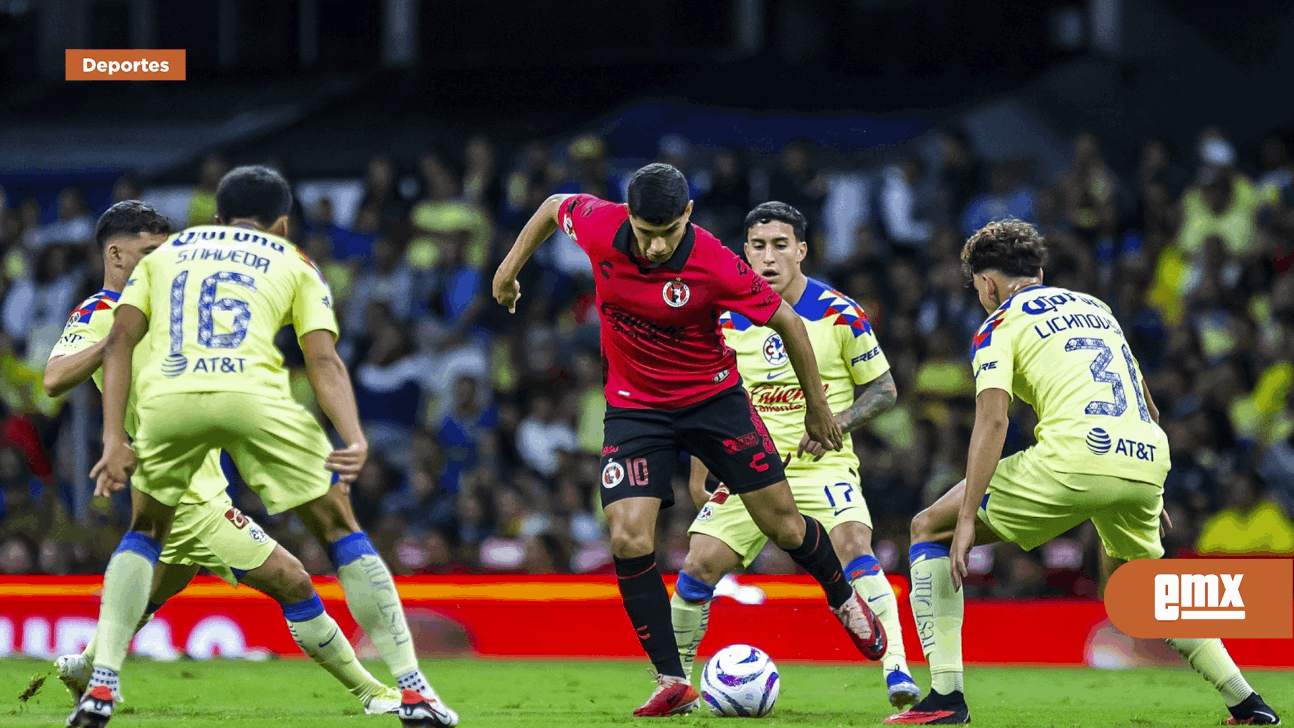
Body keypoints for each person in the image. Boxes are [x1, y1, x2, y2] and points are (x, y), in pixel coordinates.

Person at [492, 164, 886, 718]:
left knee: (783, 524)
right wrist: (508, 271)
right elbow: (553, 204)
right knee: (628, 538)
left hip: (714, 402)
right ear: (628, 216)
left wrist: (820, 408)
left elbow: (791, 324)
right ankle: (670, 678)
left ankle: (842, 598)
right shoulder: (600, 224)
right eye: (644, 231)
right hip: (636, 409)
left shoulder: (717, 262)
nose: (654, 246)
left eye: (668, 233)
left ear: (688, 217)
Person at [68, 167, 456, 728]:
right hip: (253, 395)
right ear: (280, 222)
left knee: (144, 533)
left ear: (217, 216)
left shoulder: (163, 260)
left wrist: (111, 439)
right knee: (341, 533)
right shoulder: (294, 260)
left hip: (172, 403)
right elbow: (322, 359)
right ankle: (412, 691)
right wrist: (353, 436)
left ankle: (99, 682)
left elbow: (119, 344)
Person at [885, 220, 1281, 726]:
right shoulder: (1096, 308)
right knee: (1148, 588)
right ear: (1041, 272)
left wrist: (965, 515)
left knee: (927, 528)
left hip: (1075, 456)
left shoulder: (998, 323)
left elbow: (993, 418)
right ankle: (1248, 703)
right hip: (1144, 456)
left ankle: (945, 699)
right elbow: (1149, 407)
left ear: (987, 284)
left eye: (979, 287)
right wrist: (1143, 490)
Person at [673, 201, 918, 709]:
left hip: (821, 464)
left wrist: (836, 423)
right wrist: (702, 469)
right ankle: (677, 686)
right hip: (749, 469)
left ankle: (896, 669)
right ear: (745, 252)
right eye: (759, 246)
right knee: (697, 566)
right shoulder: (723, 315)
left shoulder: (838, 313)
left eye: (780, 245)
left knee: (854, 545)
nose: (769, 257)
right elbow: (705, 395)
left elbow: (884, 390)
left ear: (802, 250)